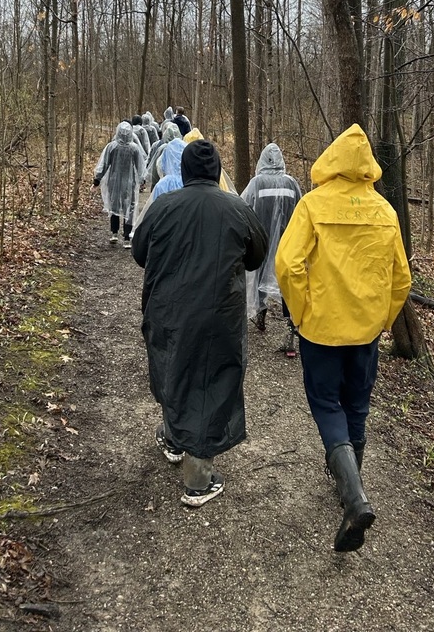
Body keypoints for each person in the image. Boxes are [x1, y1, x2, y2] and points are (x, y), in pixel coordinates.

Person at [275, 123, 411, 552]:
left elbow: (287, 265)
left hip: (321, 330)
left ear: (331, 161)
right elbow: (401, 280)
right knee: (357, 403)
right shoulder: (385, 211)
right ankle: (351, 487)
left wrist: (302, 312)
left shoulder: (314, 205)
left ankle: (353, 496)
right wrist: (382, 320)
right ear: (367, 167)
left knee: (326, 404)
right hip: (365, 331)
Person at [132, 140, 268, 507]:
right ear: (216, 171)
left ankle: (178, 443)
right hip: (217, 316)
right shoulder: (236, 208)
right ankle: (196, 475)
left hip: (167, 310)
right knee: (211, 382)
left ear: (186, 170)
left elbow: (139, 252)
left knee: (172, 369)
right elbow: (257, 255)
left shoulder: (163, 206)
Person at [240, 143, 302, 352]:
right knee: (287, 283)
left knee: (258, 276)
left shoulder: (257, 183)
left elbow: (243, 207)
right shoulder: (291, 184)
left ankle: (261, 315)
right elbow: (302, 210)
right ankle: (291, 327)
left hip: (261, 241)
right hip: (289, 243)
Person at [93, 121, 145, 248]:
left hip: (114, 181)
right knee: (130, 208)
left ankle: (114, 233)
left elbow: (104, 164)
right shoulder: (134, 148)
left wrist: (97, 179)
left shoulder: (112, 146)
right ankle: (127, 237)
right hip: (129, 182)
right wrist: (142, 179)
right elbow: (140, 167)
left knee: (114, 206)